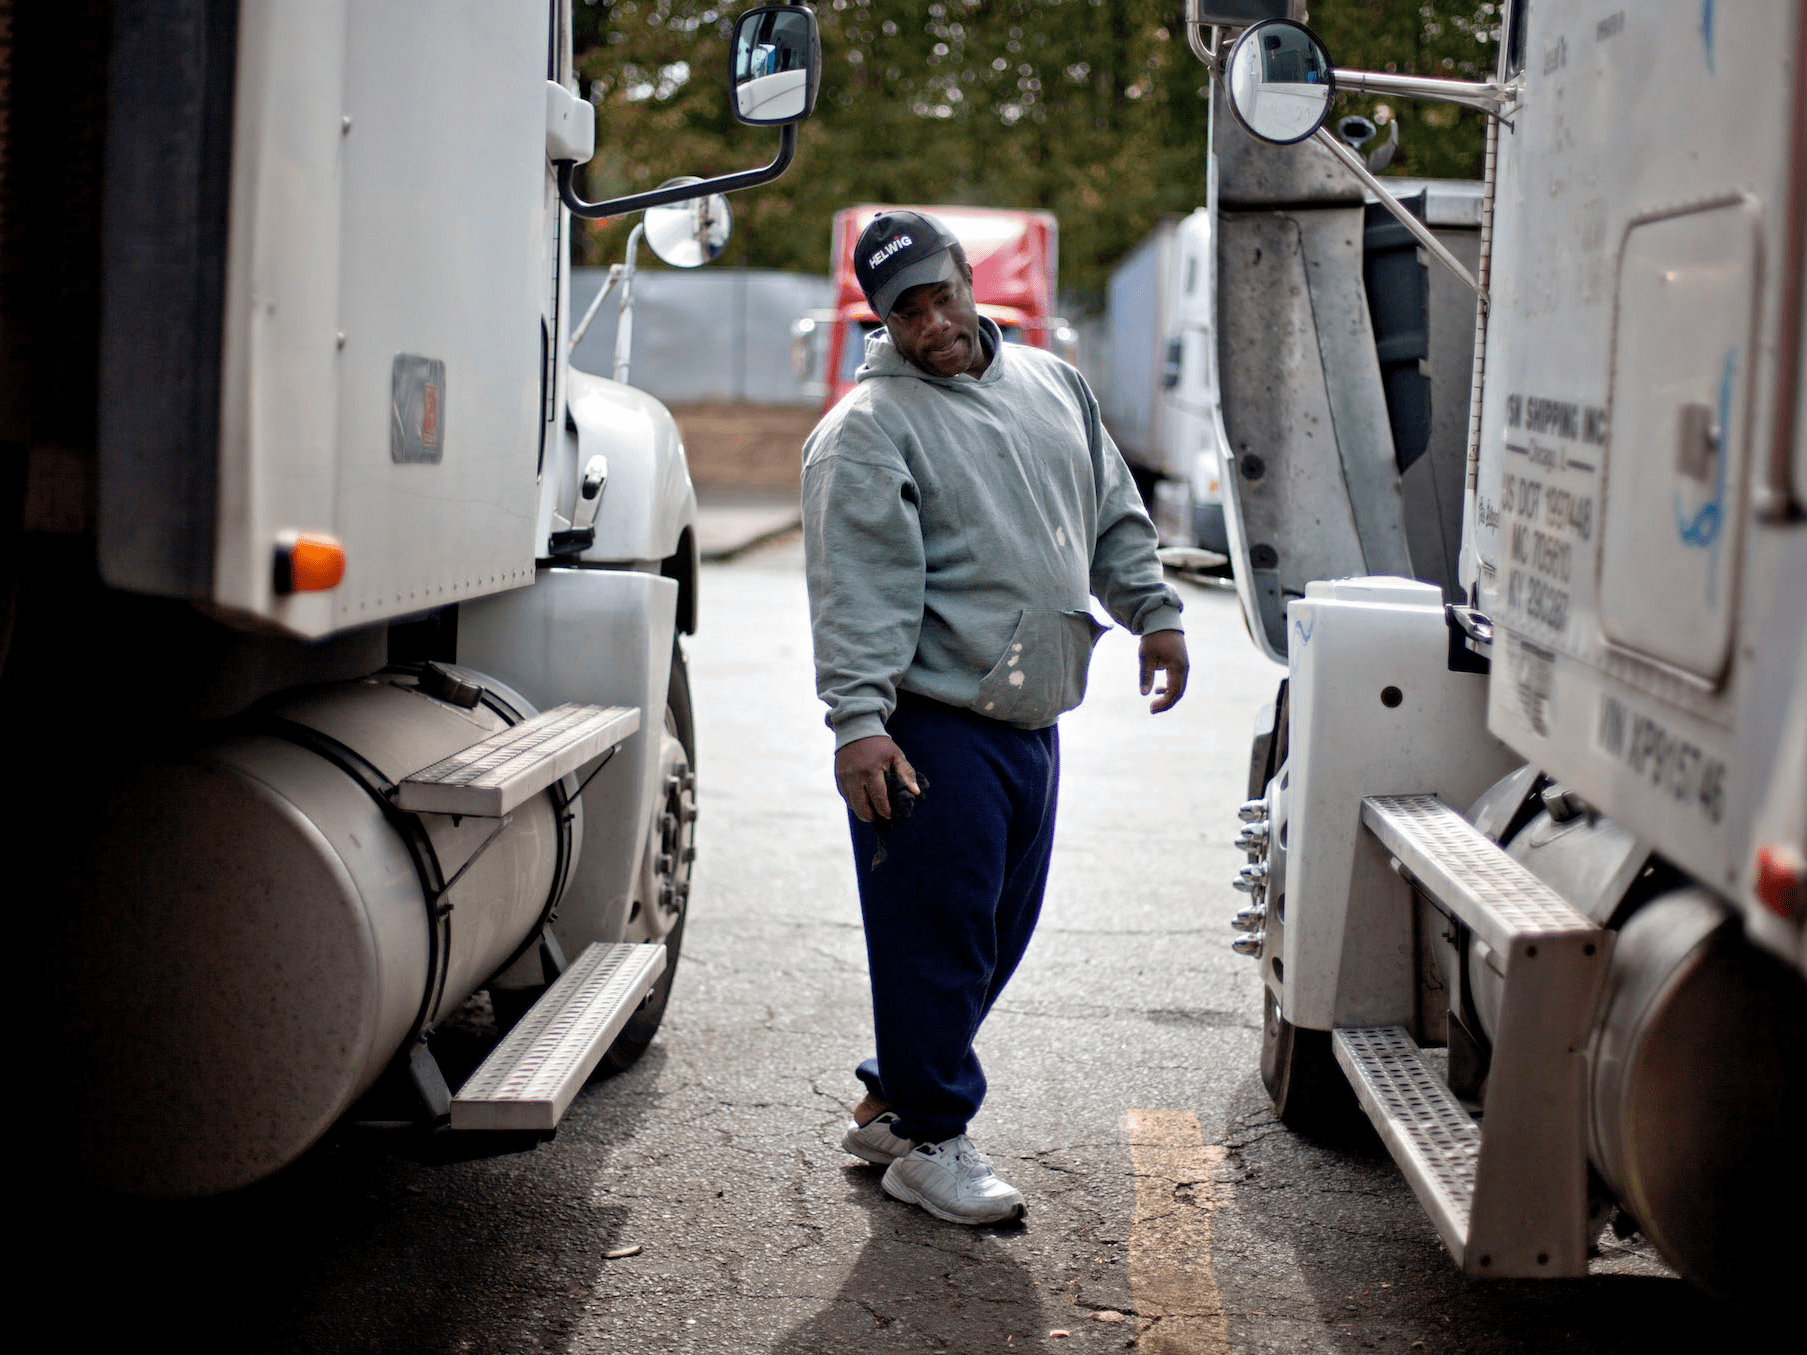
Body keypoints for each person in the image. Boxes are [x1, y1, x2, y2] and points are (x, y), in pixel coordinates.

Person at [802, 209, 1188, 1226]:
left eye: (940, 295)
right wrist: (857, 721)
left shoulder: (1052, 382)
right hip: (930, 724)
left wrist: (1152, 612)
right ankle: (931, 1138)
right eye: (905, 313)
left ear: (969, 279)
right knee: (937, 935)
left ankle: (895, 1096)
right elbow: (856, 588)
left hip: (1030, 717)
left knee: (989, 936)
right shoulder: (870, 429)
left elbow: (1110, 509)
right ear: (879, 321)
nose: (931, 323)